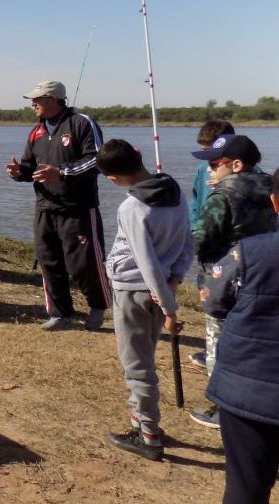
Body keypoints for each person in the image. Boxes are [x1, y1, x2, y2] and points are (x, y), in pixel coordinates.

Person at [95, 139, 194, 462]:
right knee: (144, 359)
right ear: (138, 155)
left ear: (112, 178)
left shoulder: (132, 207)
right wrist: (175, 280)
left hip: (135, 292)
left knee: (137, 367)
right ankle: (140, 421)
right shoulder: (173, 189)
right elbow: (187, 241)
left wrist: (169, 308)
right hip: (158, 288)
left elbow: (146, 260)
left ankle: (149, 436)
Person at [5, 80, 110, 331]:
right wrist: (19, 172)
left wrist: (61, 173)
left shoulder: (82, 123)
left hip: (78, 207)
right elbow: (30, 167)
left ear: (54, 99)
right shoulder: (36, 132)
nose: (33, 104)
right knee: (49, 261)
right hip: (45, 207)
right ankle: (60, 312)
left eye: (38, 99)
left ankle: (98, 307)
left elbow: (97, 160)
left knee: (82, 264)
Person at [187, 134, 275, 429]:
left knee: (219, 345)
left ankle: (222, 409)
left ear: (235, 164)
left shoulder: (222, 196)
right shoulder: (270, 189)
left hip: (224, 279)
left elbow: (200, 240)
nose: (209, 171)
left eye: (214, 164)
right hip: (264, 277)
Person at [204, 167, 279, 504]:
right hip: (251, 388)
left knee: (246, 486)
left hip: (248, 390)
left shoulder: (249, 252)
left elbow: (216, 301)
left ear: (275, 202)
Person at [187, 120, 235, 369]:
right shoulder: (202, 170)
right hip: (206, 248)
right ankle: (211, 351)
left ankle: (224, 359)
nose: (207, 158)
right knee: (208, 301)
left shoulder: (244, 172)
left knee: (228, 307)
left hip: (231, 253)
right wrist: (194, 230)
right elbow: (195, 203)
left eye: (211, 152)